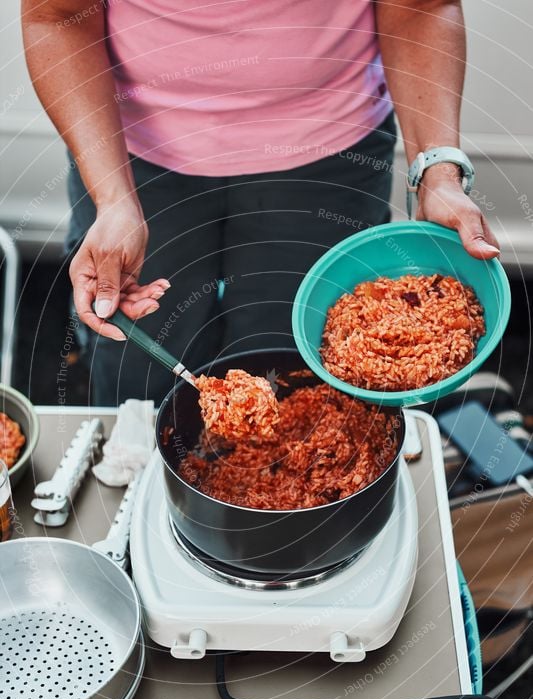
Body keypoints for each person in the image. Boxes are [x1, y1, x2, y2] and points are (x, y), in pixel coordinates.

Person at [22, 0, 499, 404]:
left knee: (300, 374)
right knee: (137, 369)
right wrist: (112, 200)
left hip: (330, 150)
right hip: (133, 158)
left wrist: (438, 173)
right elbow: (56, 14)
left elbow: (419, 6)